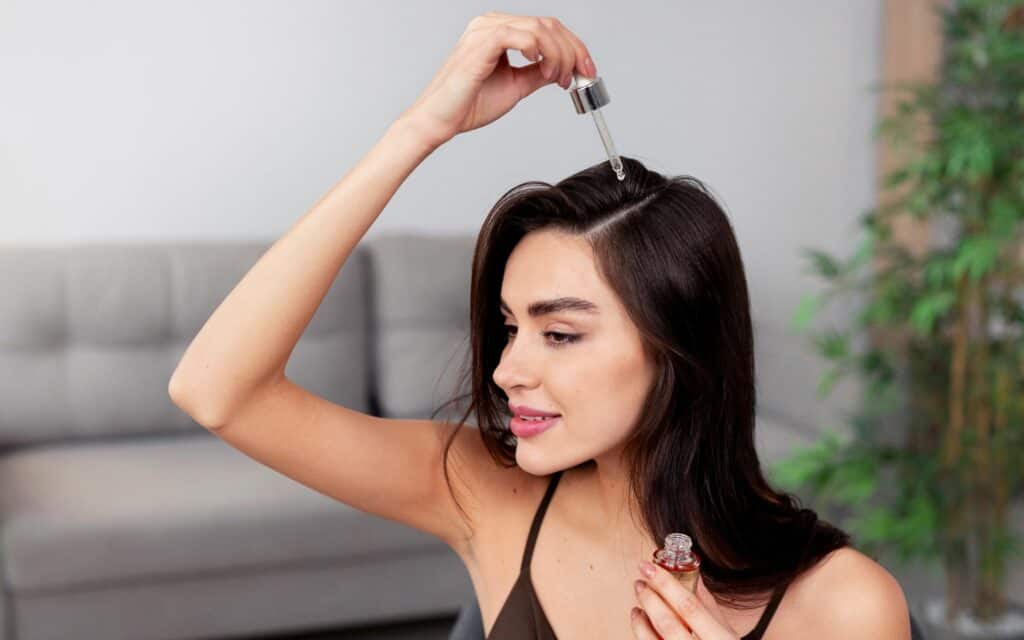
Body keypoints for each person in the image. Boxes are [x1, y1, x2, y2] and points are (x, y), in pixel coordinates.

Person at [168, 11, 913, 640]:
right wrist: (421, 128)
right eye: (509, 326)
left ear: (678, 351)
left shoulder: (844, 604)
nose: (504, 369)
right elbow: (217, 390)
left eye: (559, 334)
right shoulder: (486, 494)